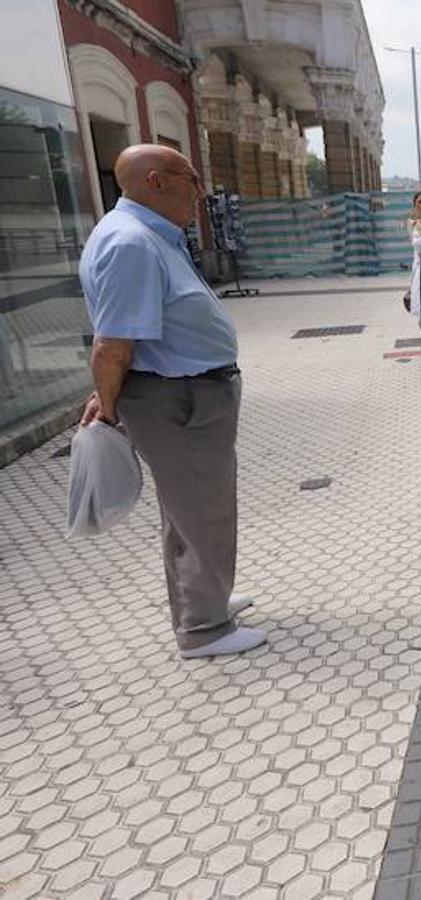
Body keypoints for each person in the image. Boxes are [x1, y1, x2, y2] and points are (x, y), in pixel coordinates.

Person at [78, 144, 265, 659]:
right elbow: (112, 343)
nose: (201, 193)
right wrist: (108, 404)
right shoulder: (132, 243)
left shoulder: (150, 236)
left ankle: (208, 599)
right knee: (200, 511)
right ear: (157, 182)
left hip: (186, 395)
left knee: (191, 509)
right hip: (177, 399)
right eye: (192, 179)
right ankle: (205, 629)